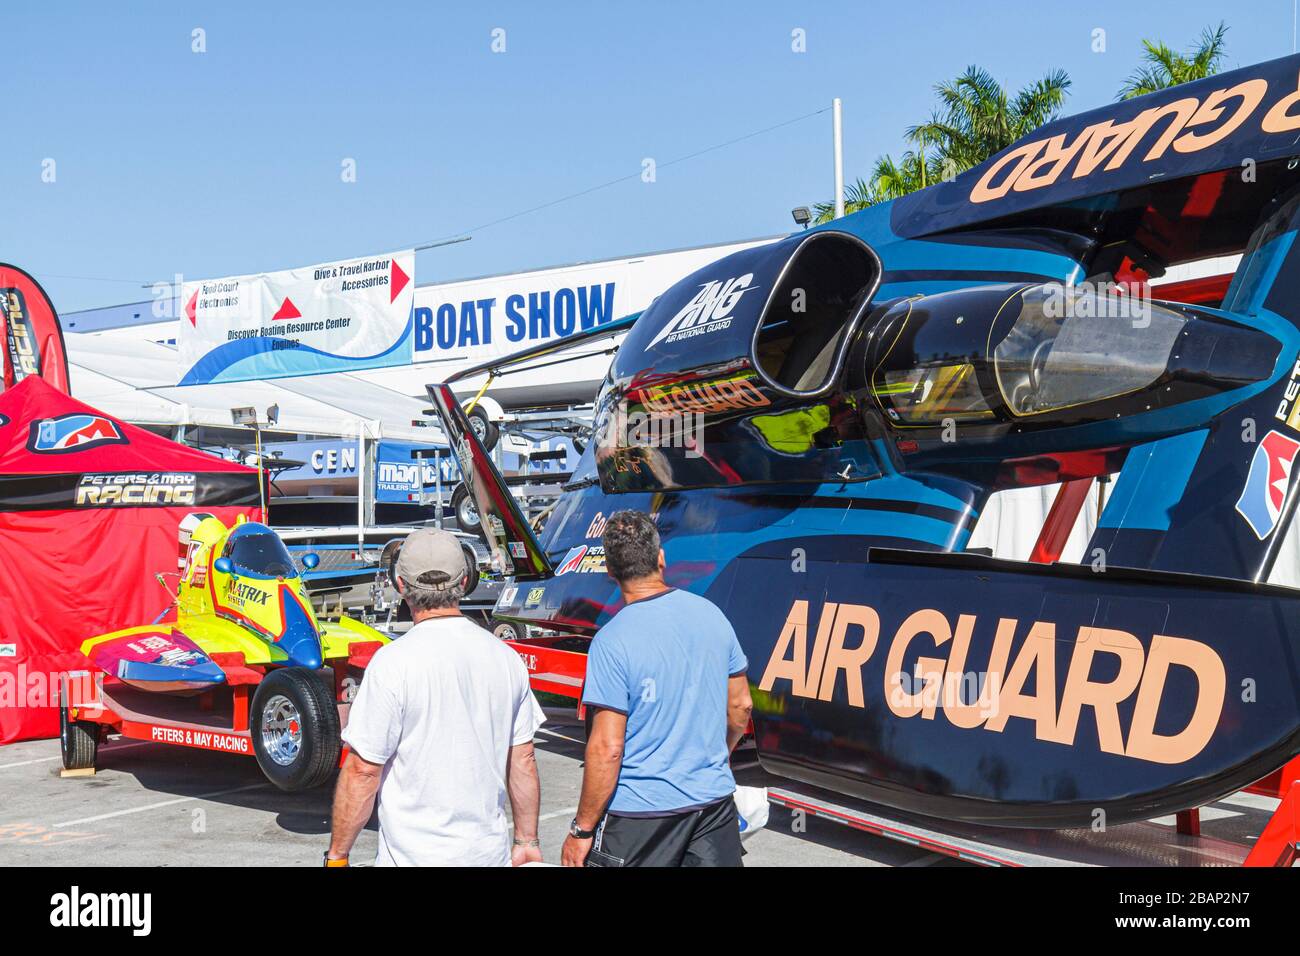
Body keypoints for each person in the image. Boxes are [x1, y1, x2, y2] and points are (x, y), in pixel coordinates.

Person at [326, 528, 545, 866]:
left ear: (401, 585)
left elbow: (363, 771)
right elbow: (523, 759)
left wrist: (338, 856)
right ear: (465, 580)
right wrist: (527, 839)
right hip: (487, 856)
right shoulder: (505, 659)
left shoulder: (392, 663)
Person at [560, 510, 753, 867]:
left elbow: (607, 748)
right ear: (661, 559)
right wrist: (715, 757)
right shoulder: (712, 615)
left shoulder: (612, 640)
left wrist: (582, 829)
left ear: (610, 572)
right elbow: (740, 707)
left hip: (640, 816)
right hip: (711, 807)